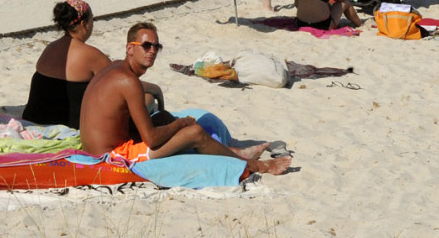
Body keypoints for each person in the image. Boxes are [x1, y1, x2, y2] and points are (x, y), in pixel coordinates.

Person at [79, 22, 291, 174]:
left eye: (156, 46)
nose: (152, 51)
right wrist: (182, 123)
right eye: (146, 46)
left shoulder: (116, 68)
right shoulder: (128, 81)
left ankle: (233, 151)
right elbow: (151, 139)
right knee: (195, 131)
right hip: (111, 156)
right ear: (130, 48)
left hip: (100, 145)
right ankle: (256, 166)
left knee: (162, 118)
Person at [21, 0, 164, 129]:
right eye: (92, 21)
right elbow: (124, 81)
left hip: (34, 117)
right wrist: (155, 89)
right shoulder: (91, 55)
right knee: (148, 98)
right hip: (71, 123)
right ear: (84, 24)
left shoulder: (49, 48)